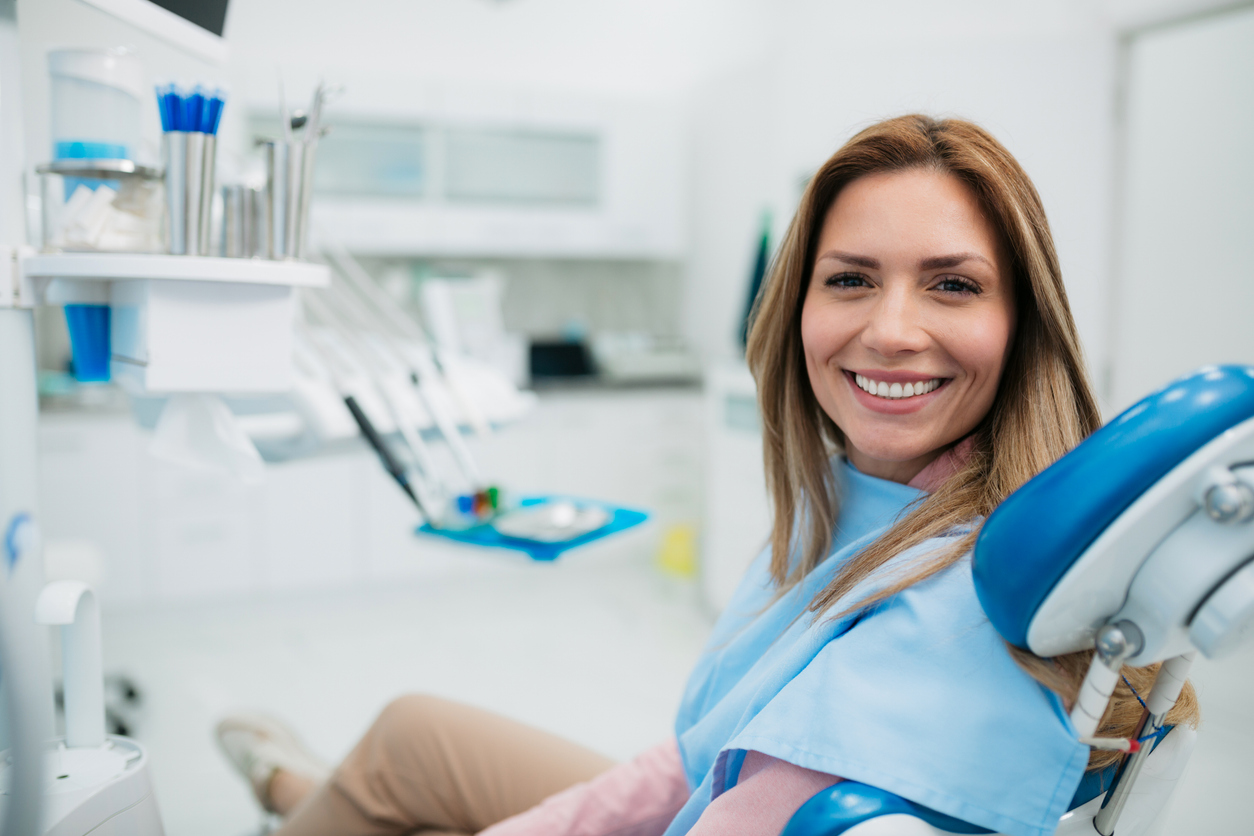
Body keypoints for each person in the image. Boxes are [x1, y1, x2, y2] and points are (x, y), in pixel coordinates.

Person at [216, 114, 1198, 836]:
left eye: (953, 282)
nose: (891, 329)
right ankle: (307, 791)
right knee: (415, 731)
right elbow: (704, 755)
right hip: (707, 795)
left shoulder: (959, 601)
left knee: (399, 789)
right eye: (850, 276)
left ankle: (297, 796)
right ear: (798, 308)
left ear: (1021, 324)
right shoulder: (879, 500)